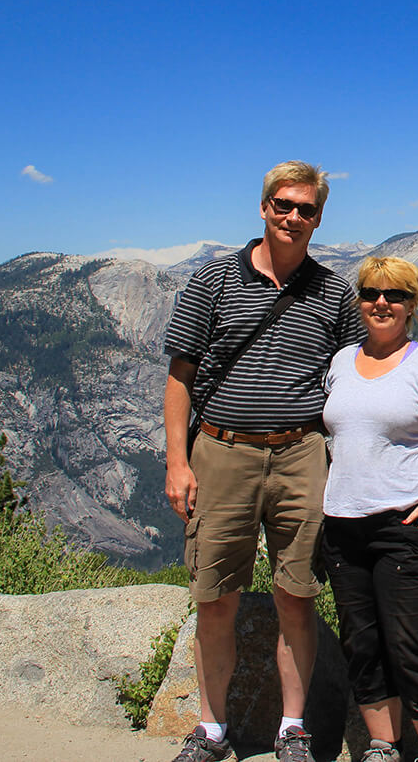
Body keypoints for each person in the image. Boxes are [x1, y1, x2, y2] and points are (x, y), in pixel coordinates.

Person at [162, 160, 365, 762]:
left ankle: (292, 730)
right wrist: (178, 462)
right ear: (264, 207)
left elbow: (361, 370)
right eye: (284, 205)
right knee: (215, 596)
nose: (294, 217)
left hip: (302, 453)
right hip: (222, 453)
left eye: (307, 209)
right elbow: (179, 377)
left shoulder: (334, 293)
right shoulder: (213, 281)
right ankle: (212, 730)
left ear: (319, 217)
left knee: (296, 595)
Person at [321, 257, 418, 762]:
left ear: (412, 305)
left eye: (395, 295)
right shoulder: (341, 362)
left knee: (413, 645)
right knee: (362, 645)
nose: (381, 302)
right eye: (370, 293)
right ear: (359, 299)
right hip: (344, 525)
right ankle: (383, 747)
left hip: (409, 523)